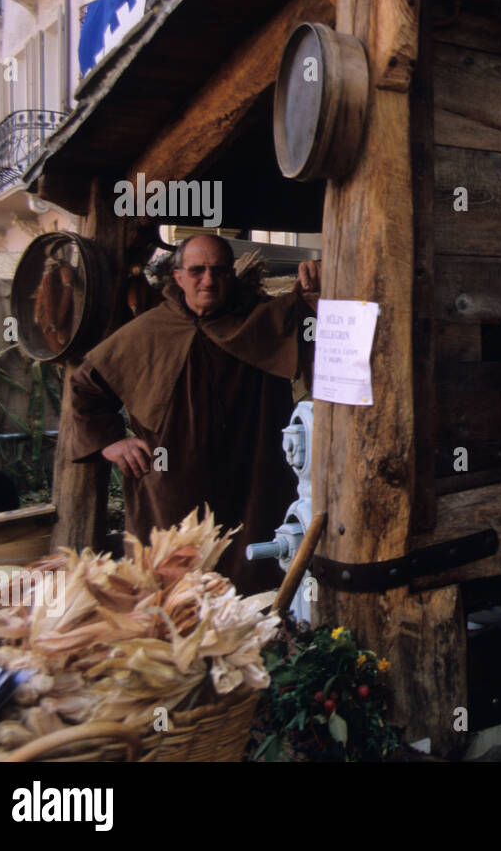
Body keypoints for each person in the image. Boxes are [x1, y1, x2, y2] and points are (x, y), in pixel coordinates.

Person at [66, 234, 320, 593]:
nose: (208, 280)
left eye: (218, 271)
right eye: (197, 271)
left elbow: (322, 327)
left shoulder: (267, 319)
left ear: (231, 275)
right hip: (171, 494)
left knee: (254, 593)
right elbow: (85, 387)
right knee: (171, 594)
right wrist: (111, 442)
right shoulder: (147, 332)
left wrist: (320, 283)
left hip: (253, 489)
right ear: (178, 277)